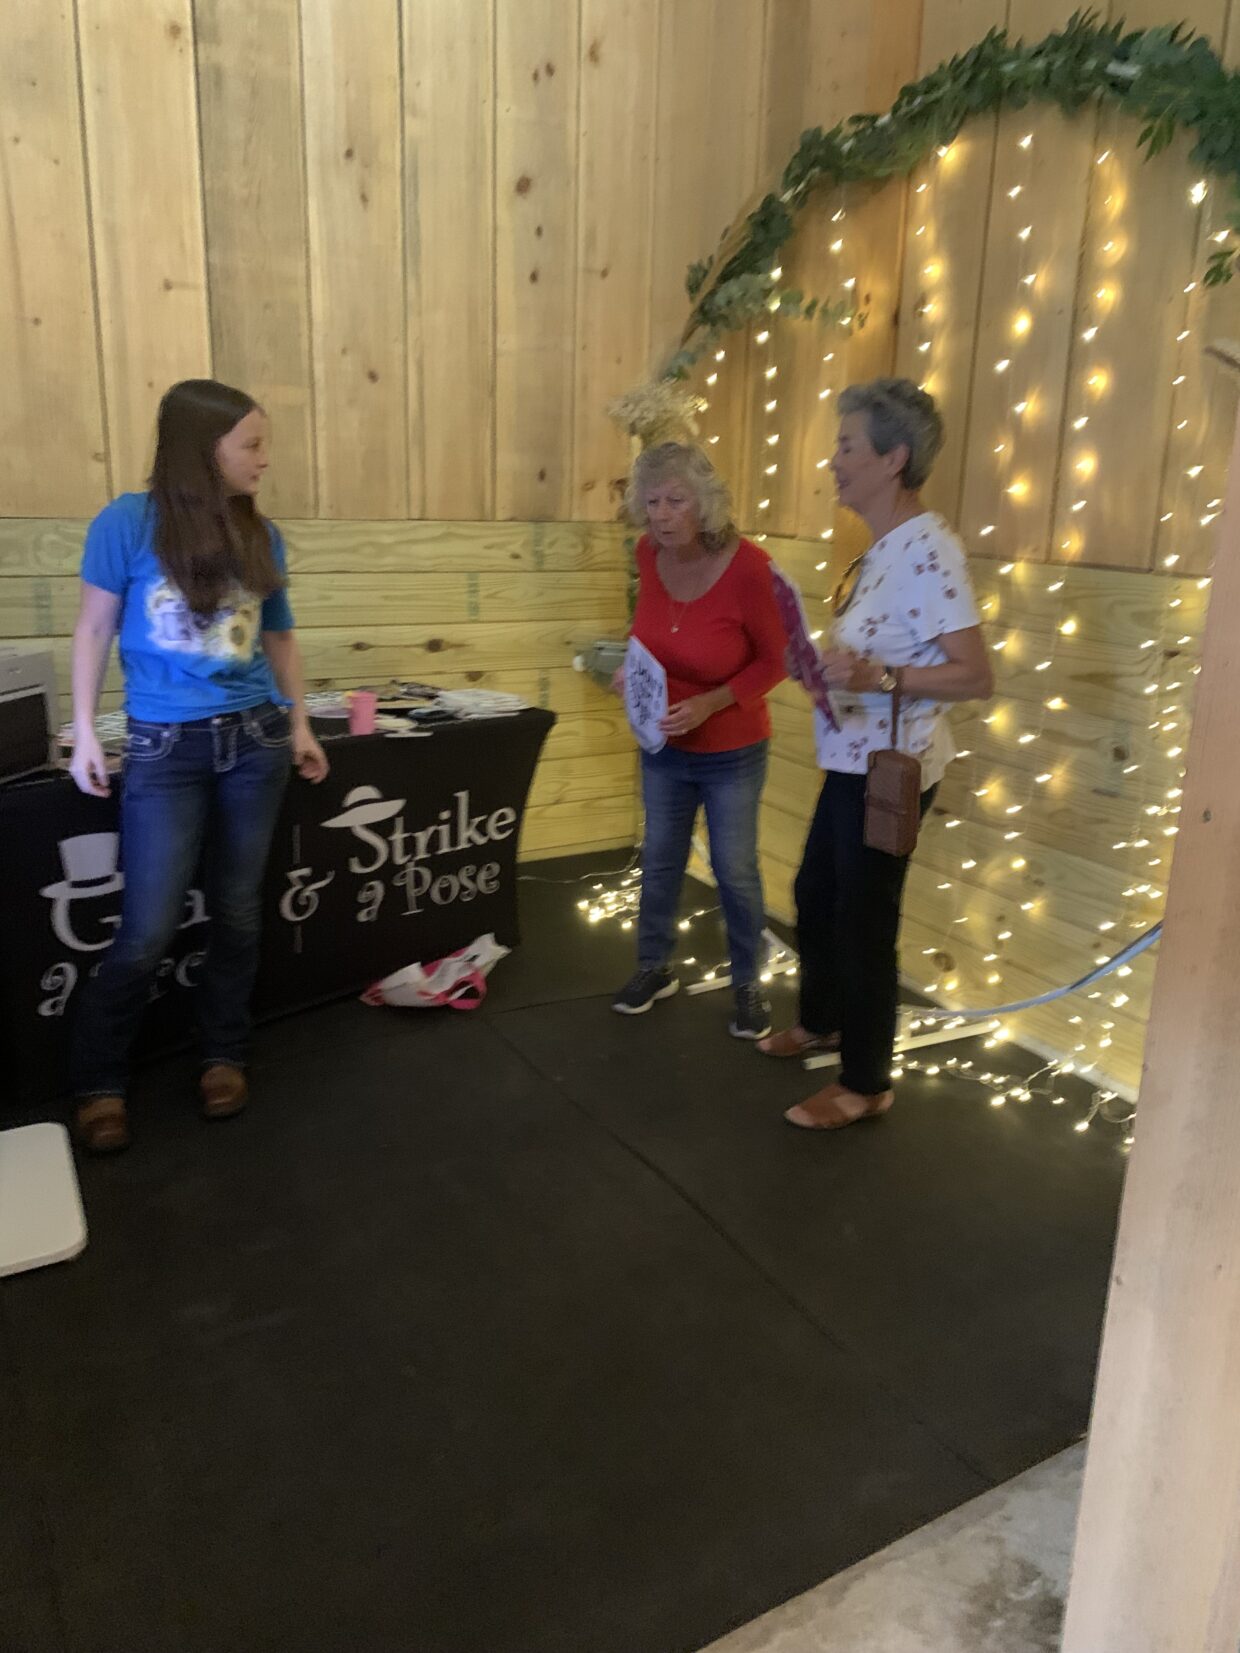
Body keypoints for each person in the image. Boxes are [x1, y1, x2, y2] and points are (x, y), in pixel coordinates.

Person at [67, 379, 329, 1153]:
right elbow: (93, 629)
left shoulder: (260, 533)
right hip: (164, 747)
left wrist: (300, 723)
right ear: (203, 448)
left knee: (238, 911)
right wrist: (83, 730)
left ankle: (223, 1052)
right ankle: (99, 1079)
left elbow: (279, 636)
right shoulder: (125, 523)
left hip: (255, 739)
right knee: (147, 928)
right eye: (252, 444)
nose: (264, 459)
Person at [761, 378, 992, 1128]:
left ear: (893, 459)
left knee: (864, 921)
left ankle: (865, 1083)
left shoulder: (930, 549)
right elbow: (877, 657)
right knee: (814, 895)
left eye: (846, 445)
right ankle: (822, 1021)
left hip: (890, 772)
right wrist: (824, 669)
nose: (833, 460)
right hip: (850, 761)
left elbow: (975, 676)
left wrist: (879, 677)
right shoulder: (885, 549)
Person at [612, 441, 786, 1039]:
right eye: (652, 501)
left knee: (734, 870)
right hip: (664, 746)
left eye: (676, 501)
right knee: (660, 860)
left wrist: (711, 702)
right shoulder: (646, 553)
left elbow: (777, 661)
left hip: (732, 750)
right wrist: (630, 672)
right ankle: (654, 967)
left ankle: (748, 983)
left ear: (705, 503)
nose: (661, 515)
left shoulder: (751, 568)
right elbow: (651, 637)